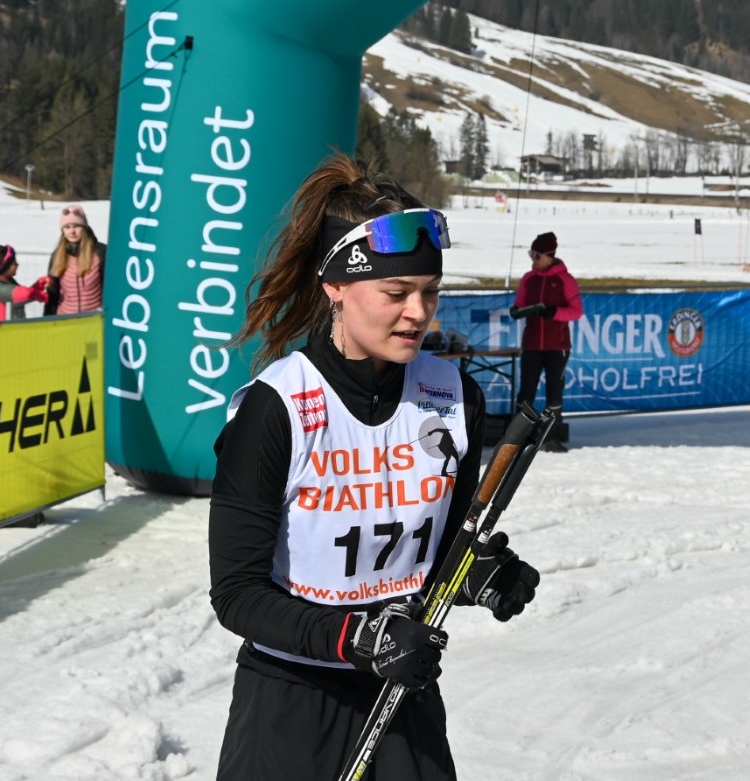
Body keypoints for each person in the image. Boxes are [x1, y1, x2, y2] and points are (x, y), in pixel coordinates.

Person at [208, 153, 541, 781]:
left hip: (400, 697)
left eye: (430, 292)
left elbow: (434, 553)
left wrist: (475, 575)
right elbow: (236, 595)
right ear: (335, 287)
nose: (419, 312)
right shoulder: (276, 408)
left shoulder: (453, 396)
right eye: (396, 293)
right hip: (293, 700)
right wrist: (358, 638)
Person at [509, 231, 583, 452]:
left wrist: (553, 312)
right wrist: (516, 311)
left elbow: (576, 311)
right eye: (531, 254)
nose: (533, 259)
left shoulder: (565, 280)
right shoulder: (528, 279)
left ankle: (552, 437)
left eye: (537, 255)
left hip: (557, 346)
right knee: (526, 391)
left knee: (554, 393)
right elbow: (520, 303)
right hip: (532, 344)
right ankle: (517, 438)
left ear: (549, 256)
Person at [45, 204, 104, 314]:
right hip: (65, 319)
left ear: (84, 228)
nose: (72, 231)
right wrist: (47, 319)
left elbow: (110, 288)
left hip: (94, 318)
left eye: (76, 226)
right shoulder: (57, 255)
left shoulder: (100, 252)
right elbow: (52, 293)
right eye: (67, 227)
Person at [0, 244, 49, 321]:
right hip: (3, 328)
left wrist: (39, 285)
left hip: (15, 326)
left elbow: (20, 299)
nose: (17, 265)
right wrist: (40, 295)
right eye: (14, 263)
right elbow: (23, 294)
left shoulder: (7, 281)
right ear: (4, 267)